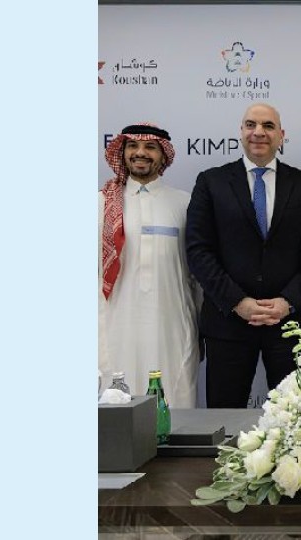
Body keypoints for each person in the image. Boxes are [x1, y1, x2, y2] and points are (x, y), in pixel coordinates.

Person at [185, 103, 301, 408]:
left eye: (268, 126)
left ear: (281, 135)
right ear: (241, 131)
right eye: (251, 125)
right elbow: (198, 249)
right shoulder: (211, 182)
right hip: (227, 323)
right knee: (223, 419)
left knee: (297, 419)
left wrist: (288, 301)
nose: (258, 132)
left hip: (291, 324)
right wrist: (237, 302)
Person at [98, 122, 199, 407]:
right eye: (132, 146)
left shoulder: (185, 203)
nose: (140, 153)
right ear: (122, 152)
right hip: (116, 322)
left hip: (172, 322)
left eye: (150, 147)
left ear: (163, 155)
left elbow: (196, 273)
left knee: (175, 399)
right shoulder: (101, 203)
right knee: (118, 401)